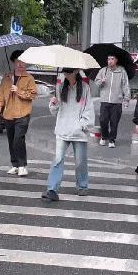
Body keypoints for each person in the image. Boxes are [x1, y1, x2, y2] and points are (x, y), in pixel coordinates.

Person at [42, 69, 94, 202]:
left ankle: (82, 185)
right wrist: (53, 104)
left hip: (78, 131)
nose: (66, 74)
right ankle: (52, 189)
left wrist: (82, 125)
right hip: (62, 130)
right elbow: (55, 111)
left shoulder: (85, 88)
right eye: (65, 72)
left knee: (80, 162)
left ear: (76, 72)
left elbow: (89, 109)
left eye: (69, 72)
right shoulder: (60, 87)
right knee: (57, 160)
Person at [0, 50, 37, 176]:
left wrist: (19, 91)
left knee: (18, 139)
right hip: (8, 114)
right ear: (13, 62)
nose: (20, 64)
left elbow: (33, 95)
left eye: (23, 61)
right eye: (18, 61)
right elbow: (0, 95)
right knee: (11, 140)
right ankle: (15, 164)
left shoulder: (29, 78)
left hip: (23, 114)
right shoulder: (7, 78)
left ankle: (22, 165)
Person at [95, 53, 130, 148]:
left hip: (117, 101)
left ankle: (112, 139)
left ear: (116, 60)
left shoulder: (121, 71)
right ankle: (104, 136)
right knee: (103, 120)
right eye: (108, 59)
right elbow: (96, 83)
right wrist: (101, 81)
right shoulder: (103, 70)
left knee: (114, 122)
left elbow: (125, 85)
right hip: (105, 100)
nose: (109, 61)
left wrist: (126, 99)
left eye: (112, 59)